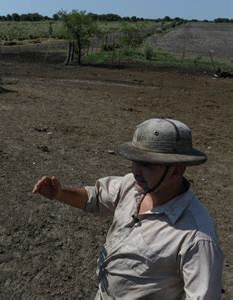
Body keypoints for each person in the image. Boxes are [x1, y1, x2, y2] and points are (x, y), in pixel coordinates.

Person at [32, 118, 223, 299]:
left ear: (176, 170)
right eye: (135, 160)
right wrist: (60, 193)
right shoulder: (133, 186)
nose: (135, 171)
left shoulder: (197, 237)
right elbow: (96, 197)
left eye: (147, 164)